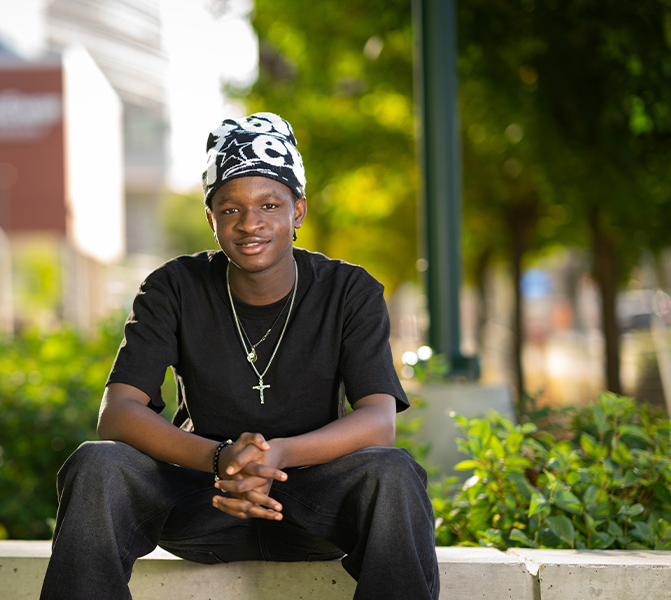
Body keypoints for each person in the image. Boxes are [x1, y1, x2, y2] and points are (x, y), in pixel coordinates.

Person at [40, 112, 439, 600]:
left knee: (394, 473)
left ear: (298, 212)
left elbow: (378, 422)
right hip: (200, 499)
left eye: (269, 204)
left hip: (312, 503)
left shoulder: (349, 289)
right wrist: (220, 460)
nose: (250, 223)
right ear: (211, 220)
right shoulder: (173, 287)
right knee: (97, 465)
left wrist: (278, 456)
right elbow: (117, 413)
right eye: (230, 209)